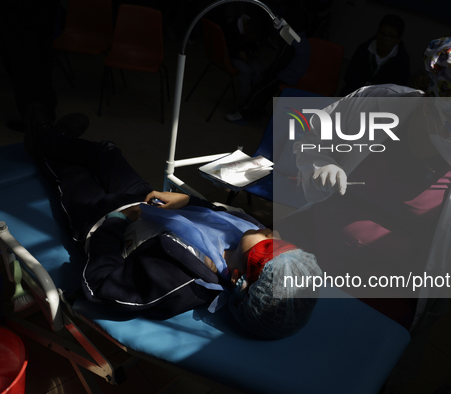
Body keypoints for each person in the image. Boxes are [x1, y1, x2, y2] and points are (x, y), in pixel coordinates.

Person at [279, 37, 451, 388]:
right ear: (429, 102)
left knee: (361, 371)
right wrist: (320, 162)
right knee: (283, 340)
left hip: (394, 292)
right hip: (314, 250)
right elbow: (312, 135)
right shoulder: (374, 103)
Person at [23, 103, 321, 340]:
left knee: (72, 172)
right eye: (283, 240)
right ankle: (56, 138)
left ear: (236, 279)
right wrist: (189, 202)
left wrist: (114, 222)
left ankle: (42, 137)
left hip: (100, 220)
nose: (270, 229)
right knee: (107, 153)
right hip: (146, 203)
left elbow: (99, 284)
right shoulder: (248, 231)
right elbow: (221, 214)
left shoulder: (179, 283)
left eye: (270, 244)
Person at [224, 11, 311, 124]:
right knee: (265, 89)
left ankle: (242, 113)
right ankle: (258, 110)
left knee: (260, 89)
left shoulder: (291, 43)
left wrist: (268, 74)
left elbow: (279, 64)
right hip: (295, 74)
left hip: (287, 76)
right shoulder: (302, 39)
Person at [339, 14, 410, 96]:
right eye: (382, 33)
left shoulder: (401, 59)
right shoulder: (364, 49)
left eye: (390, 36)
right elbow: (349, 76)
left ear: (398, 40)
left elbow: (398, 89)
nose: (384, 38)